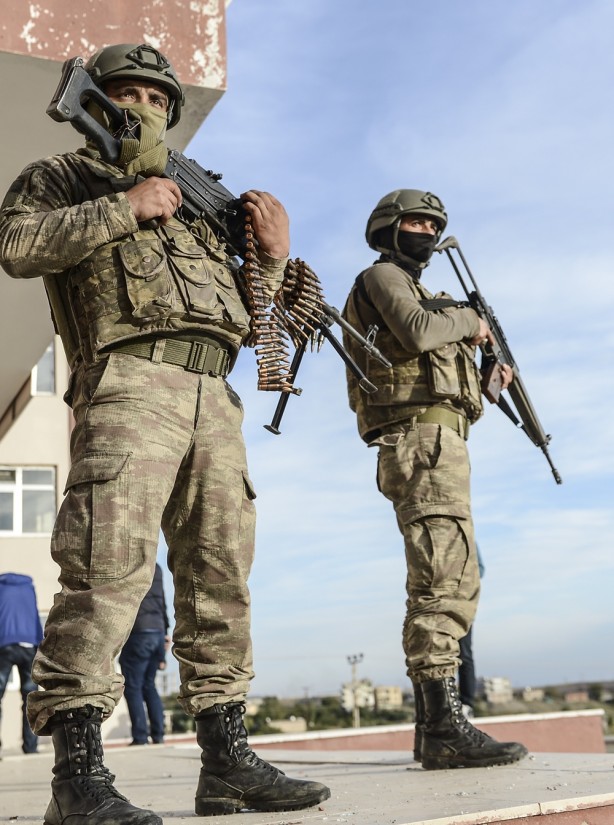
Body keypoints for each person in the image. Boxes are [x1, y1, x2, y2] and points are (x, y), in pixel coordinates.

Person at [0, 43, 330, 823]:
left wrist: (274, 262)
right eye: (128, 90)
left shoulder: (202, 209)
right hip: (127, 383)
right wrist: (126, 205)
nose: (144, 103)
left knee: (220, 577)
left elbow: (249, 327)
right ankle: (78, 779)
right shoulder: (65, 175)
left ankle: (227, 763)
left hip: (213, 394)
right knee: (106, 571)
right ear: (99, 100)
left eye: (157, 94)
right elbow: (15, 245)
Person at [341, 189, 527, 770]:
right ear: (388, 228)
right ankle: (443, 725)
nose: (424, 230)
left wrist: (487, 371)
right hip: (419, 440)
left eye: (432, 223)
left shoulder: (429, 297)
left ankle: (440, 724)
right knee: (441, 575)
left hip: (442, 439)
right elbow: (419, 331)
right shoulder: (383, 277)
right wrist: (470, 319)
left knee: (457, 571)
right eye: (415, 221)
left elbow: (445, 366)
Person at [119, 562, 170, 746]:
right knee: (149, 685)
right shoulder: (157, 567)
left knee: (133, 687)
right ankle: (158, 735)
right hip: (157, 631)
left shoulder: (130, 563)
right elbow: (162, 601)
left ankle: (140, 737)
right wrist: (164, 632)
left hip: (138, 632)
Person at [0, 572, 43, 756]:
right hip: (28, 644)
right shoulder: (29, 588)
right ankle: (31, 747)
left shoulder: (1, 588)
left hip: (4, 644)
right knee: (30, 699)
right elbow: (33, 616)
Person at [458, 544, 485, 718]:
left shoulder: (467, 535)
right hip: (437, 605)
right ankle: (444, 703)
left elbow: (480, 569)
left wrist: (463, 585)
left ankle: (466, 704)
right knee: (439, 656)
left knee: (464, 654)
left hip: (462, 604)